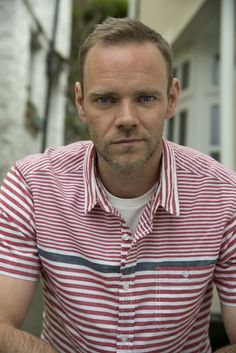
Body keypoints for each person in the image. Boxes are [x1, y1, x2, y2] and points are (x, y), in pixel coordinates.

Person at [0, 16, 236, 353]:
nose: (126, 118)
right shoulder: (33, 187)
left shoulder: (224, 195)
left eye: (145, 98)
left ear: (172, 98)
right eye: (106, 100)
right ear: (81, 102)